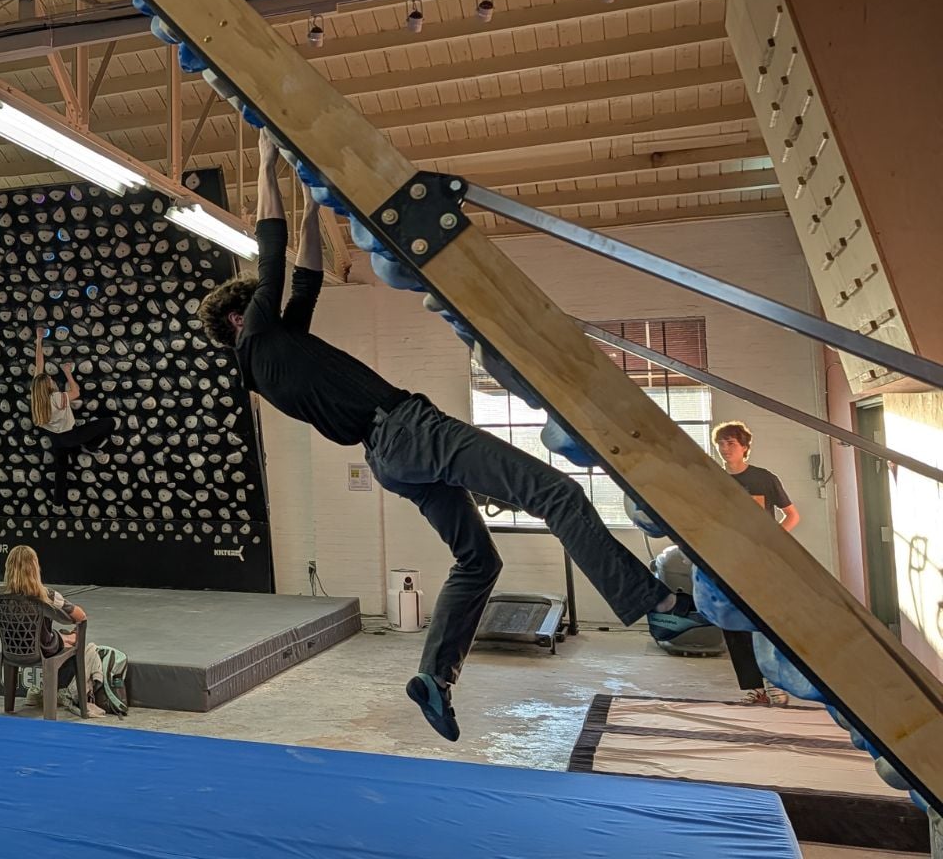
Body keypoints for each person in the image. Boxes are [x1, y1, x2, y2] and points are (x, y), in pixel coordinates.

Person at [195, 133, 710, 742]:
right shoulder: (256, 337)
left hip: (391, 456)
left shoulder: (276, 353)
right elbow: (272, 249)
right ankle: (659, 608)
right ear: (238, 318)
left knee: (477, 558)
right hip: (409, 431)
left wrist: (313, 199)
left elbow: (304, 276)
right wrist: (264, 159)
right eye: (255, 301)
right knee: (557, 494)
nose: (265, 299)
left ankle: (435, 678)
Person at [714, 421, 798, 705]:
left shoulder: (764, 479)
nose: (726, 449)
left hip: (763, 562)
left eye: (731, 444)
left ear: (745, 447)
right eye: (721, 444)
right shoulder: (713, 479)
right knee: (734, 622)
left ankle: (777, 682)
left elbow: (792, 515)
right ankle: (754, 687)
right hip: (727, 559)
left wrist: (773, 541)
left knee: (767, 622)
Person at [0, 544, 102, 716]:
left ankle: (9, 706)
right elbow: (80, 616)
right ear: (35, 568)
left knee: (52, 636)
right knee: (65, 637)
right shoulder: (48, 595)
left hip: (11, 649)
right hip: (43, 648)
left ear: (8, 567)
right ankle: (69, 640)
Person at [31, 328, 116, 506]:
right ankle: (91, 446)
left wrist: (39, 340)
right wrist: (68, 372)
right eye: (50, 380)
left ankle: (58, 502)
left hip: (56, 439)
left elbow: (39, 364)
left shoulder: (36, 395)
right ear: (48, 386)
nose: (51, 379)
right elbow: (76, 392)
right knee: (109, 423)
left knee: (60, 469)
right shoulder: (56, 397)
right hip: (70, 436)